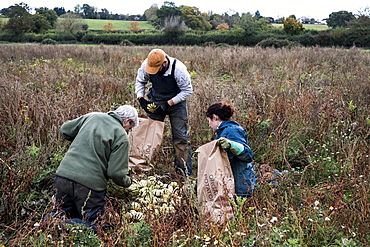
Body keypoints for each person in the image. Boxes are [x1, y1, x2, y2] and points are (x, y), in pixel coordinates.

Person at [50, 105, 138, 230]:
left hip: (63, 177)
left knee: (62, 213)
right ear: (128, 121)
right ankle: (64, 226)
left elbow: (65, 130)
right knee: (95, 225)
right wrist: (128, 182)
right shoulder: (121, 136)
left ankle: (51, 223)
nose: (129, 131)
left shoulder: (93, 116)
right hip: (89, 186)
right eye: (130, 128)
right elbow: (116, 173)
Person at [135, 48, 193, 176]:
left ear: (164, 63)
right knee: (149, 135)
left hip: (176, 104)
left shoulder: (179, 69)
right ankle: (144, 168)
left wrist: (168, 104)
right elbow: (140, 81)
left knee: (180, 137)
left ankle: (183, 173)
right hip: (155, 101)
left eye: (157, 69)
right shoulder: (147, 64)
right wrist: (141, 98)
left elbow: (187, 91)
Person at [206, 102, 256, 197]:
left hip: (240, 187)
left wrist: (232, 145)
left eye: (209, 121)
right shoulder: (222, 132)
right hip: (234, 186)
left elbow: (248, 155)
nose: (209, 125)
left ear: (215, 117)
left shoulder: (231, 131)